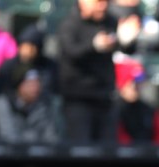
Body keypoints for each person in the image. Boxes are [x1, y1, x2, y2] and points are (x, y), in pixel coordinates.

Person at [57, 0, 140, 143]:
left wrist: (127, 40)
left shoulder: (110, 21)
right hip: (78, 99)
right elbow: (71, 53)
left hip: (105, 97)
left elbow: (126, 49)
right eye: (98, 2)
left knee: (107, 153)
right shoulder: (70, 24)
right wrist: (94, 45)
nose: (103, 6)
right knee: (81, 150)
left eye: (105, 2)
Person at [114, 57, 159, 145]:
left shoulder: (149, 111)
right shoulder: (112, 112)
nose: (135, 87)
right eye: (130, 83)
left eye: (137, 83)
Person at [0, 67, 60, 144]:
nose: (35, 88)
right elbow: (8, 137)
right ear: (19, 86)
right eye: (31, 84)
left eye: (38, 84)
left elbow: (51, 136)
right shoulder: (3, 103)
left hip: (41, 154)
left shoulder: (44, 104)